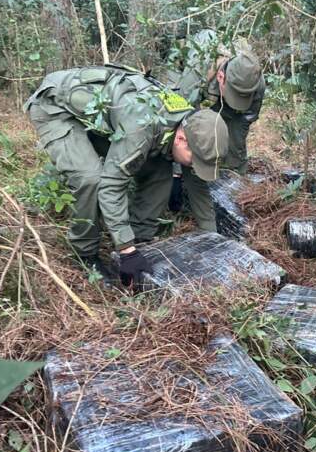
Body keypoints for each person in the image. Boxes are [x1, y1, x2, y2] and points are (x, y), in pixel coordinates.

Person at [24, 65, 229, 286]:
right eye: (194, 160)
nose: (193, 166)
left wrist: (213, 239)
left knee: (161, 171)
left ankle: (141, 237)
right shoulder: (141, 128)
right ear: (180, 139)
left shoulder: (189, 121)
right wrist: (127, 251)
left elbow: (197, 184)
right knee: (90, 178)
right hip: (56, 109)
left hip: (99, 116)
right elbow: (112, 185)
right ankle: (85, 254)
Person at [167, 29, 265, 175]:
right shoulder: (198, 71)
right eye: (234, 94)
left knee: (234, 150)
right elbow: (178, 118)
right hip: (184, 73)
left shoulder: (255, 82)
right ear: (220, 77)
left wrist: (235, 166)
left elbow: (241, 124)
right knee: (190, 131)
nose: (236, 100)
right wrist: (178, 164)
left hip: (216, 89)